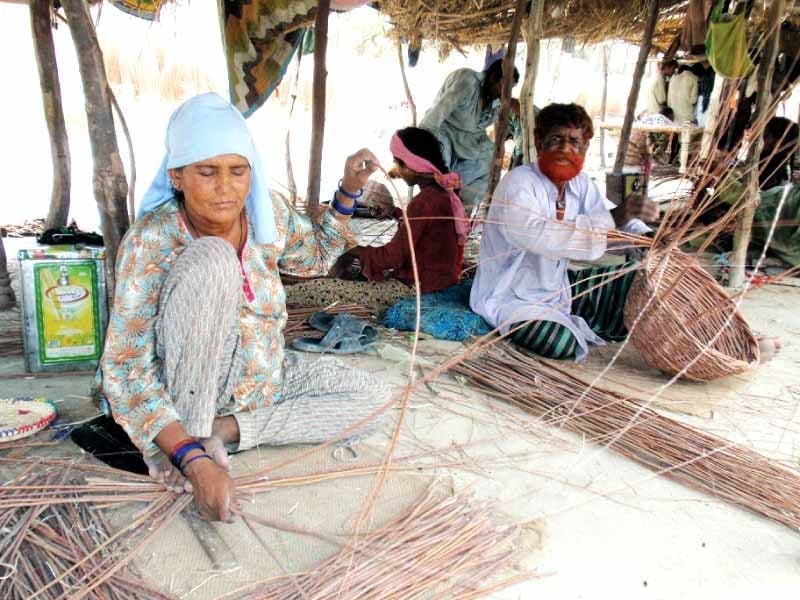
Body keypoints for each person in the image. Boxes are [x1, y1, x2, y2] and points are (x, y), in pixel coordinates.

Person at [96, 92, 391, 522]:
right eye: (206, 172)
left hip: (262, 379)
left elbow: (313, 257)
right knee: (214, 260)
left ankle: (227, 431)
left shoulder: (265, 213)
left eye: (237, 171)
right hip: (184, 390)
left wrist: (348, 190)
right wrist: (191, 459)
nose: (225, 188)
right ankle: (192, 440)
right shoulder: (151, 241)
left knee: (376, 398)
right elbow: (125, 368)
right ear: (176, 176)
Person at [470, 103, 658, 361]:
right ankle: (572, 323)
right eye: (556, 140)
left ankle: (581, 316)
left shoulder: (579, 183)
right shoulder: (519, 183)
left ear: (585, 147)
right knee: (560, 343)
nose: (565, 150)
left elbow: (606, 216)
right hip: (511, 297)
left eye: (574, 142)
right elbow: (541, 235)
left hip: (559, 290)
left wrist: (645, 238)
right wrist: (614, 218)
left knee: (637, 282)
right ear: (539, 142)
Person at [285, 127, 466, 310]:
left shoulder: (424, 202)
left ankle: (277, 297)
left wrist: (352, 249)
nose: (397, 170)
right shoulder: (445, 194)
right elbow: (428, 228)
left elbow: (390, 258)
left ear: (411, 166)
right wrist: (394, 212)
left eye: (398, 163)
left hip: (419, 289)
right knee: (351, 275)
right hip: (441, 282)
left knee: (320, 289)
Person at [420, 59, 520, 215]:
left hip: (470, 140)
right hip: (444, 130)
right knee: (440, 167)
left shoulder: (498, 101)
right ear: (493, 77)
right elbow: (436, 116)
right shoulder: (467, 81)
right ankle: (438, 206)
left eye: (511, 88)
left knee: (490, 163)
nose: (506, 92)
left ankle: (461, 211)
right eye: (505, 86)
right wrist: (420, 146)